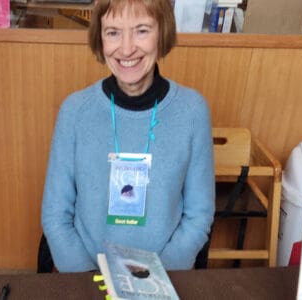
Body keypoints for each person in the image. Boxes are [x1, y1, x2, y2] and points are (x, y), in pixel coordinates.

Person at [41, 0, 215, 272]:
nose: (126, 48)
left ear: (163, 32)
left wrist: (153, 281)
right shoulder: (75, 111)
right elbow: (55, 216)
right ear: (100, 37)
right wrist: (89, 282)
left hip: (163, 278)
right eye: (113, 32)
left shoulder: (192, 111)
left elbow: (199, 216)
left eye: (142, 30)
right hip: (88, 279)